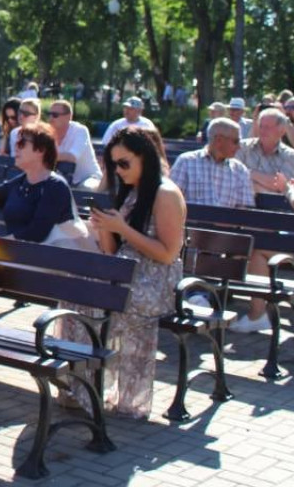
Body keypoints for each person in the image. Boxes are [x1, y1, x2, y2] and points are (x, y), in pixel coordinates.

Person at [0, 122, 74, 378]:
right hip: (19, 259)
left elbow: (36, 234)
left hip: (48, 264)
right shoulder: (22, 182)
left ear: (41, 150)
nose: (15, 149)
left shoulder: (55, 186)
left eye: (22, 144)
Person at [90, 127, 184, 418]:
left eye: (124, 163)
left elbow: (168, 254)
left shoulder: (165, 192)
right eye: (113, 164)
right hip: (125, 270)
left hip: (156, 278)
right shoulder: (128, 190)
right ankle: (85, 385)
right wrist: (104, 227)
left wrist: (124, 229)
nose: (118, 171)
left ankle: (129, 398)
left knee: (121, 299)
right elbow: (111, 252)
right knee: (82, 292)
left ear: (144, 158)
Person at [170, 118, 254, 210]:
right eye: (236, 141)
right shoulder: (186, 162)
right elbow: (171, 201)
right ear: (219, 140)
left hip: (227, 223)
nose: (239, 147)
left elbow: (245, 211)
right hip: (191, 223)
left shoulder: (240, 170)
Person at [236, 108, 294, 195]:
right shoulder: (242, 147)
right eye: (261, 126)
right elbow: (235, 177)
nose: (262, 131)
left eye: (267, 127)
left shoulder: (290, 155)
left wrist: (250, 173)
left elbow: (283, 186)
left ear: (281, 131)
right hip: (242, 204)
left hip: (275, 207)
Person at [47, 99, 102, 189]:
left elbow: (72, 157)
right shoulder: (47, 133)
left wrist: (44, 156)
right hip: (62, 179)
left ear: (68, 116)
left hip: (89, 178)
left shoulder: (80, 130)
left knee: (85, 189)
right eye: (49, 114)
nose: (51, 118)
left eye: (55, 115)